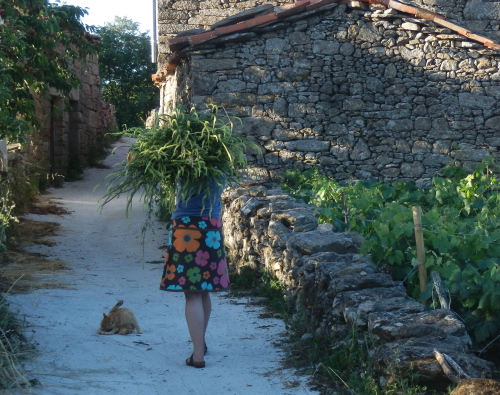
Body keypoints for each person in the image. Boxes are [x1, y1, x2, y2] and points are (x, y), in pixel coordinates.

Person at [159, 177, 228, 368]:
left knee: (192, 294)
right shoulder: (223, 157)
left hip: (185, 225)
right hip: (211, 225)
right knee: (203, 288)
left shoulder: (183, 158)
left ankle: (198, 354)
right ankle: (201, 344)